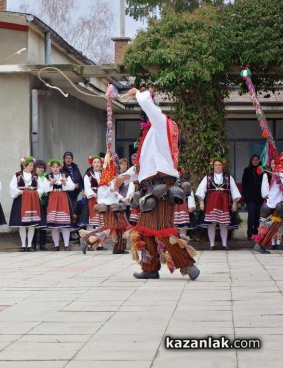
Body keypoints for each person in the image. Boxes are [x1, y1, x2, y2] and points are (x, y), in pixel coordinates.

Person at [120, 87, 200, 280]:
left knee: (163, 229)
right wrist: (123, 177)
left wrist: (138, 92)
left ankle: (188, 266)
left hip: (163, 186)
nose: (142, 120)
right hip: (148, 187)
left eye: (143, 116)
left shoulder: (163, 125)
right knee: (145, 230)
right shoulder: (149, 135)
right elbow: (143, 167)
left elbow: (147, 102)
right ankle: (150, 268)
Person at [196, 158, 241, 250]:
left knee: (223, 224)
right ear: (213, 166)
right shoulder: (208, 177)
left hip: (224, 203)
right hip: (211, 203)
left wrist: (235, 203)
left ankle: (224, 244)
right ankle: (211, 245)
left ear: (222, 166)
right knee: (211, 224)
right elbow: (201, 190)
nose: (217, 167)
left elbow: (234, 190)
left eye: (219, 165)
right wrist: (201, 202)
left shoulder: (228, 177)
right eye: (216, 165)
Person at [9, 156, 43, 252]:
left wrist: (37, 192)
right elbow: (12, 186)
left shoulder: (35, 176)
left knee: (32, 224)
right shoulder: (17, 175)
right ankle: (23, 245)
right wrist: (19, 192)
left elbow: (41, 187)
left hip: (33, 200)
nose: (32, 167)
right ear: (24, 165)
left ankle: (30, 245)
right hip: (21, 199)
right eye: (30, 165)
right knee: (22, 224)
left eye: (32, 165)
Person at [254, 156, 283, 253]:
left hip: (273, 204)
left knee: (271, 226)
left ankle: (260, 245)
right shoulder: (277, 173)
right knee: (268, 226)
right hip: (274, 205)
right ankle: (259, 245)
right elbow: (265, 193)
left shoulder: (278, 172)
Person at [44, 159, 75, 250]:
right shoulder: (48, 176)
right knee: (54, 224)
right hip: (52, 199)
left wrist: (65, 182)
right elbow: (43, 188)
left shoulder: (65, 175)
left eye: (57, 167)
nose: (55, 169)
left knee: (65, 223)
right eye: (53, 167)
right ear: (50, 168)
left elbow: (72, 186)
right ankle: (56, 245)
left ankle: (66, 245)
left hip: (63, 198)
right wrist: (50, 183)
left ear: (60, 167)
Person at [83, 155, 106, 250]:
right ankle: (89, 244)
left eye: (98, 162)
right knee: (92, 222)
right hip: (93, 200)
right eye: (95, 162)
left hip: (103, 200)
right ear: (92, 164)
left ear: (101, 164)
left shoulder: (104, 174)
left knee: (102, 222)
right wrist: (95, 195)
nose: (97, 164)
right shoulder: (88, 175)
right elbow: (87, 188)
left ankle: (99, 244)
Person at [242, 154, 265, 240]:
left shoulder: (263, 171)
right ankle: (250, 232)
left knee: (257, 215)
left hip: (259, 197)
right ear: (251, 161)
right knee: (251, 214)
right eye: (253, 160)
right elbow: (244, 184)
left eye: (257, 160)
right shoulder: (247, 170)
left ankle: (256, 232)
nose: (255, 161)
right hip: (250, 197)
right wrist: (245, 196)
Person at [32, 160, 49, 250]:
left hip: (44, 202)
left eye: (42, 168)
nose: (41, 169)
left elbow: (47, 188)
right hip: (35, 201)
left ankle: (42, 244)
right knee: (35, 222)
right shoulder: (33, 177)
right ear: (35, 168)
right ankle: (33, 243)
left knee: (43, 222)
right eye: (39, 167)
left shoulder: (45, 178)